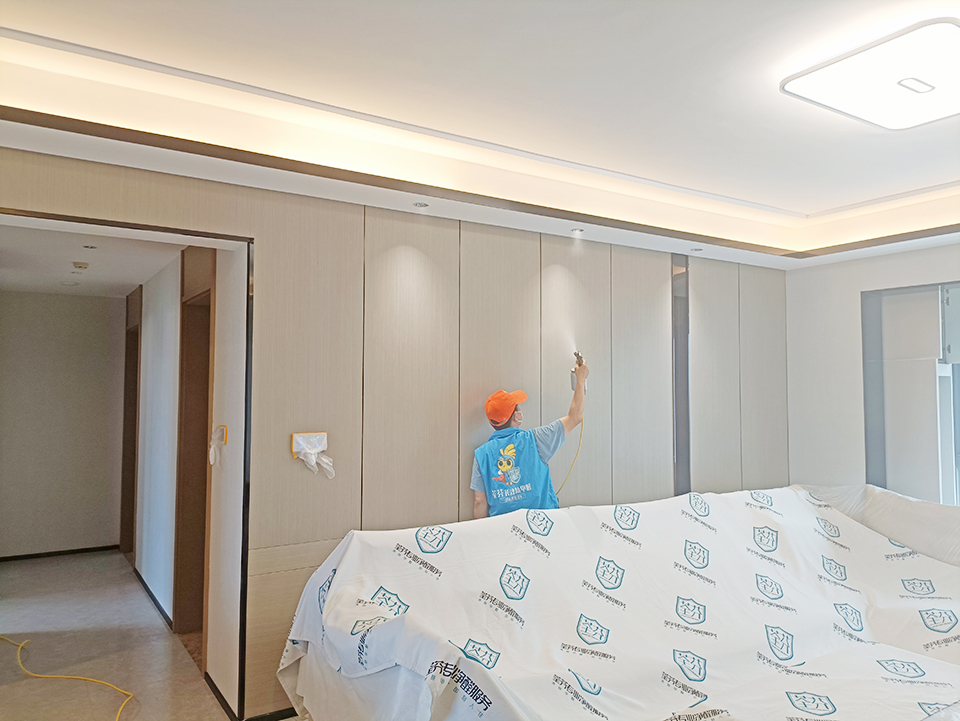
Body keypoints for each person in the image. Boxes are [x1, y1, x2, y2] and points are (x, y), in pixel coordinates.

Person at [472, 361, 589, 518]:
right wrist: (581, 378)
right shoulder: (535, 439)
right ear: (516, 416)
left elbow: (479, 501)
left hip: (503, 528)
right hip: (543, 523)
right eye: (518, 407)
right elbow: (575, 417)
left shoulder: (481, 454)